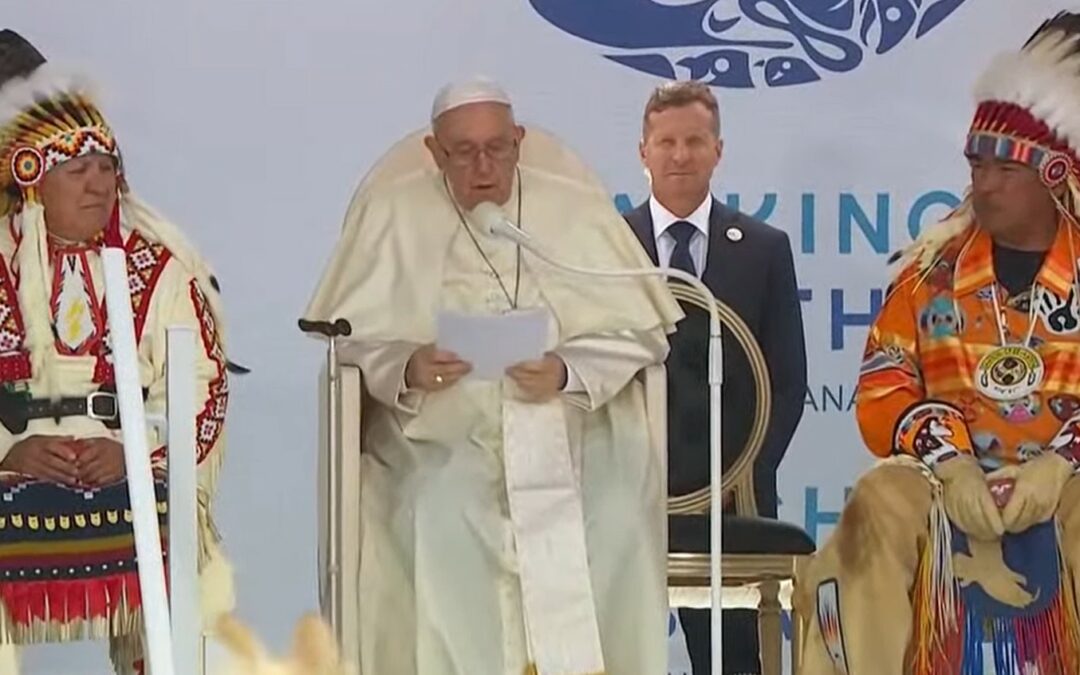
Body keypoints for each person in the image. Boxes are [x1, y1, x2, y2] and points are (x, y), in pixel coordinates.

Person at [303, 77, 683, 675]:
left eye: (498, 148)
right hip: (438, 437)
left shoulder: (570, 205)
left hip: (573, 428)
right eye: (463, 152)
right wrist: (408, 365)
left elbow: (637, 331)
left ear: (519, 141)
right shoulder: (394, 212)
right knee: (437, 513)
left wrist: (568, 370)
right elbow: (349, 342)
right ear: (435, 152)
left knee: (614, 515)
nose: (484, 167)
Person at [797, 11, 1080, 674]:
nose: (982, 182)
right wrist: (949, 458)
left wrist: (1062, 458)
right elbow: (885, 381)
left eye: (1004, 168)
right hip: (943, 479)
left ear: (1056, 172)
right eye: (975, 163)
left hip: (1067, 481)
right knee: (878, 503)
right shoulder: (932, 270)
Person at [0, 29, 234, 674]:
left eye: (107, 168)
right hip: (10, 463)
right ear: (33, 181)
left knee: (178, 569)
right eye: (77, 170)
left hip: (130, 461)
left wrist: (138, 454)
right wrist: (10, 453)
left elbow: (205, 384)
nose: (98, 184)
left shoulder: (160, 268)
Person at [624, 81, 807, 674]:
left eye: (695, 141)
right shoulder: (603, 249)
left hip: (732, 501)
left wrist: (742, 476)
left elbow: (786, 381)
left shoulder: (763, 248)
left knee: (732, 664)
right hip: (621, 495)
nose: (680, 155)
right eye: (667, 142)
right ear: (643, 151)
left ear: (718, 150)